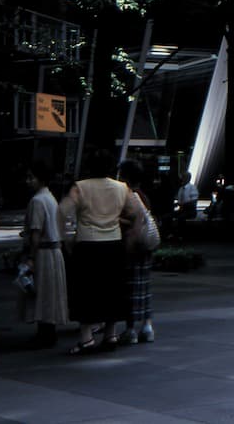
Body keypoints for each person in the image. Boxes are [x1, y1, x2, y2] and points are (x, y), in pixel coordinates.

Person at [58, 149, 142, 354]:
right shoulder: (121, 187)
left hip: (87, 244)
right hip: (113, 244)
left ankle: (86, 338)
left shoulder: (80, 187)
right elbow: (137, 214)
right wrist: (131, 238)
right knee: (111, 291)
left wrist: (67, 239)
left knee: (85, 292)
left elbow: (62, 211)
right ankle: (111, 335)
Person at [19, 164, 68, 349]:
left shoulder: (38, 201)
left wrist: (30, 256)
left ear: (40, 179)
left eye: (31, 177)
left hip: (44, 252)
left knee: (42, 292)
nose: (28, 181)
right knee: (50, 293)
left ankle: (45, 333)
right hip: (54, 251)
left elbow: (35, 232)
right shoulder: (50, 198)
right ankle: (47, 331)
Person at [113, 160, 158, 345]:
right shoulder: (144, 196)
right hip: (145, 247)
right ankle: (147, 326)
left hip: (132, 247)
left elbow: (132, 221)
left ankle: (131, 329)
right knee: (143, 288)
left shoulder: (129, 196)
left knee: (131, 289)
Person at [173, 172, 199, 241]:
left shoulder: (192, 188)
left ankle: (181, 236)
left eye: (183, 177)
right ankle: (170, 234)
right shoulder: (181, 189)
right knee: (168, 216)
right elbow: (179, 202)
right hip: (182, 210)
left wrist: (183, 205)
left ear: (188, 178)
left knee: (181, 218)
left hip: (190, 211)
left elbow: (193, 202)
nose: (182, 179)